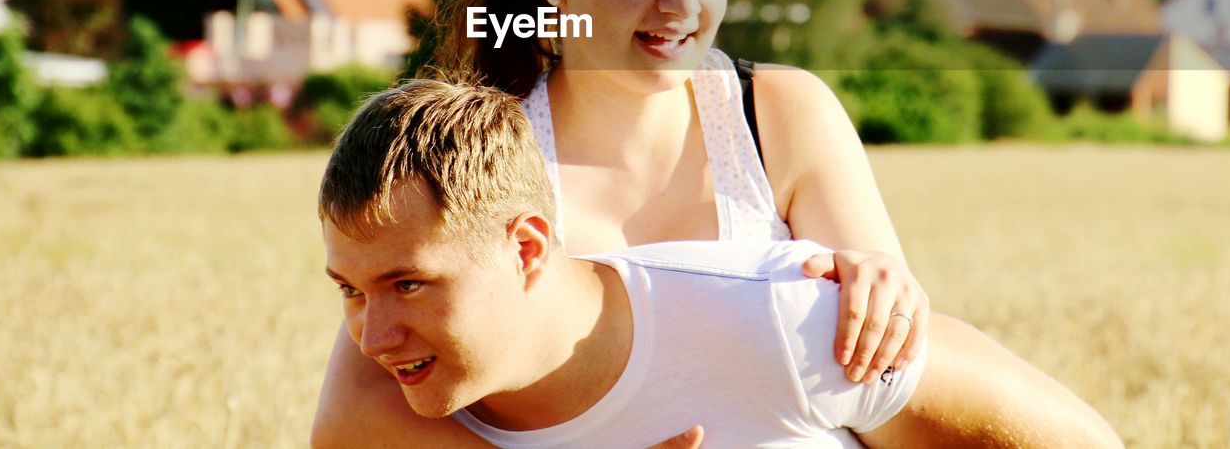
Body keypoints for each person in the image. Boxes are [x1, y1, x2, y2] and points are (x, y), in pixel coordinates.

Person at [313, 0, 1121, 447]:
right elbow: (360, 410)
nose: (681, 3)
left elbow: (887, 375)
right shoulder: (480, 153)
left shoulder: (784, 115)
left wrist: (883, 292)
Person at [321, 78, 930, 447]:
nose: (373, 339)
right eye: (349, 290)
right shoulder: (392, 407)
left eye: (408, 284)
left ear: (528, 249)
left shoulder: (794, 315)